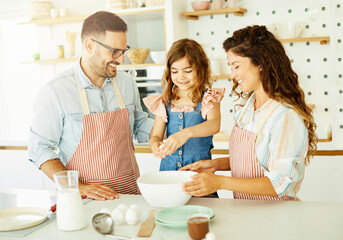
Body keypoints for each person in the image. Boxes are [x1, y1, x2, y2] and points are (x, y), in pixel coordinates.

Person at [181, 25, 317, 200]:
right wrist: (215, 165)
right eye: (231, 67)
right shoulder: (248, 107)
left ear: (260, 63)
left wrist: (220, 182)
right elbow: (253, 161)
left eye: (236, 66)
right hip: (248, 212)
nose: (232, 74)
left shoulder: (284, 116)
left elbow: (281, 182)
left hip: (276, 217)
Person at [28, 11, 154, 200]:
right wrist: (77, 187)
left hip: (129, 196)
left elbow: (138, 124)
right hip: (82, 201)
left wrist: (178, 125)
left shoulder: (126, 82)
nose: (121, 60)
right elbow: (39, 148)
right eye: (114, 51)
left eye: (123, 50)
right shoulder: (56, 91)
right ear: (89, 46)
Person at [143, 38, 225, 171]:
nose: (181, 77)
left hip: (200, 171)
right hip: (169, 171)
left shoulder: (209, 98)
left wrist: (186, 133)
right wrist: (154, 144)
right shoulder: (164, 101)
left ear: (201, 68)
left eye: (188, 71)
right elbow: (156, 135)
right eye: (175, 71)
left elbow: (214, 124)